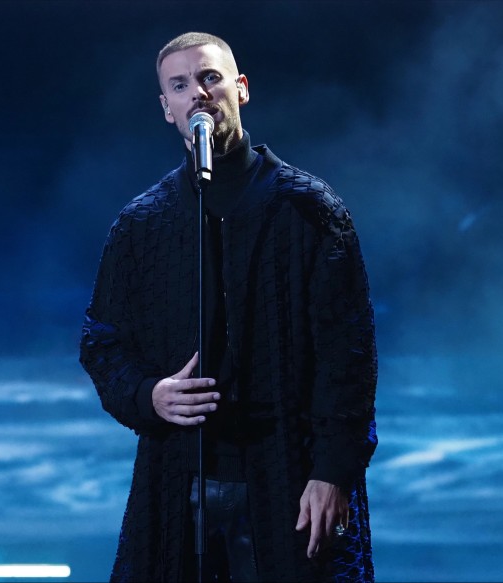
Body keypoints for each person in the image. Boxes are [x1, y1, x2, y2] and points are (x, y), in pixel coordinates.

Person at [80, 31, 378, 582]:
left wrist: (333, 471)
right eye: (180, 85)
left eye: (209, 77)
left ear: (240, 89)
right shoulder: (142, 223)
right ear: (166, 108)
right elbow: (101, 341)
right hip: (180, 479)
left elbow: (349, 354)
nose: (197, 92)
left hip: (290, 480)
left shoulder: (309, 208)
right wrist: (148, 395)